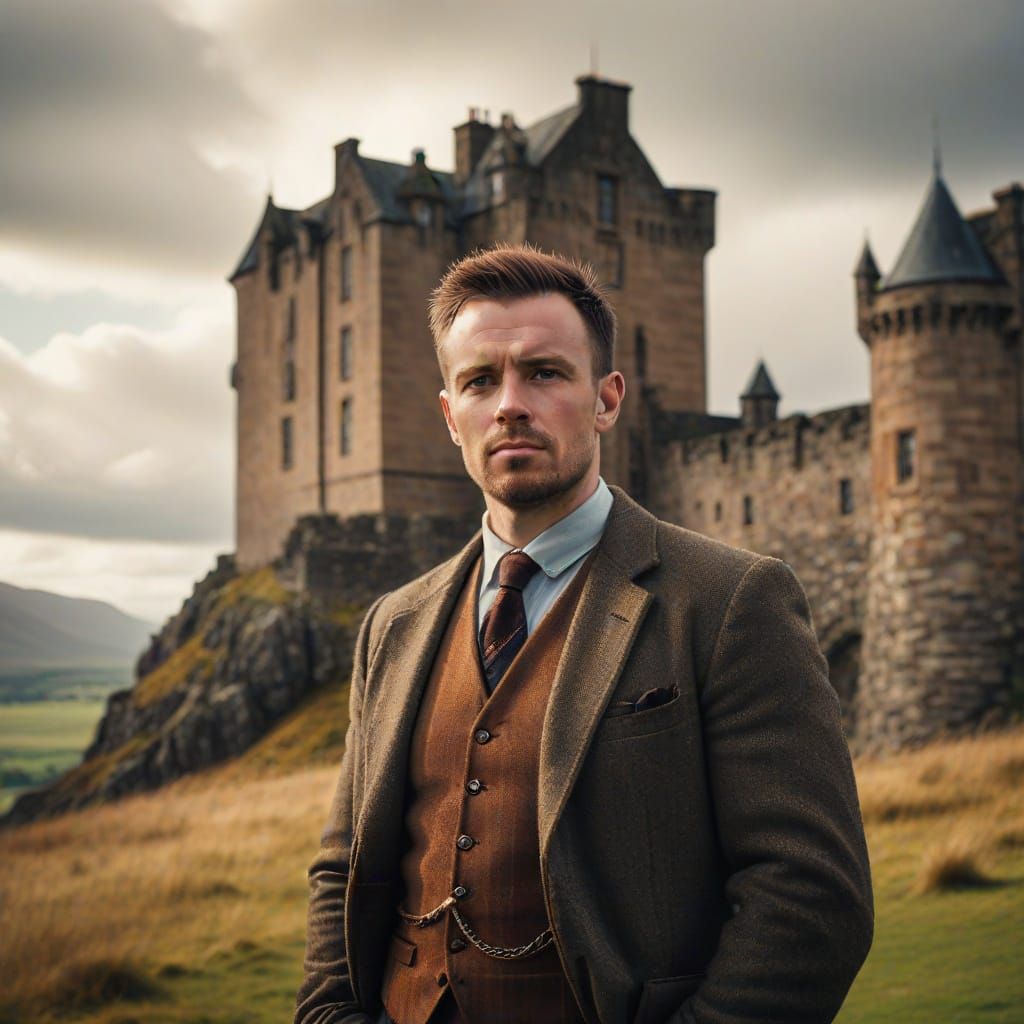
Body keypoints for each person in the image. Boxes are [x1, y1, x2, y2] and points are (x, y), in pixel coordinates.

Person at [295, 245, 873, 1024]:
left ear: (606, 399)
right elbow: (344, 867)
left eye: (544, 373)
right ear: (450, 416)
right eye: (480, 381)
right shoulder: (392, 625)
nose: (509, 404)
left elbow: (811, 896)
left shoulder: (730, 600)